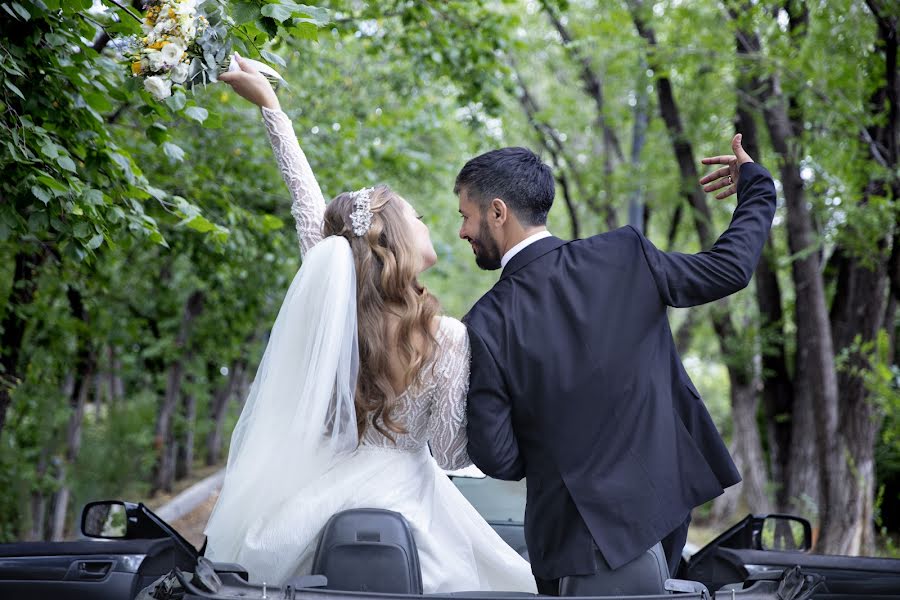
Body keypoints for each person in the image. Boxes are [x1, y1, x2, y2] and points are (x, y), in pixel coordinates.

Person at [203, 56, 536, 593]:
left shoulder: (335, 312)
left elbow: (309, 208)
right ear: (398, 239)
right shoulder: (446, 335)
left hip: (316, 498)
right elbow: (451, 452)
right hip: (410, 504)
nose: (434, 225)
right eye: (419, 217)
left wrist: (272, 109)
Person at [457, 140, 776, 594]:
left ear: (498, 212)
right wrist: (758, 187)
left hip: (570, 542)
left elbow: (498, 457)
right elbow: (729, 269)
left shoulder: (485, 323)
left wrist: (554, 454)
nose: (463, 231)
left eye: (465, 216)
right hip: (663, 509)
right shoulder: (624, 255)